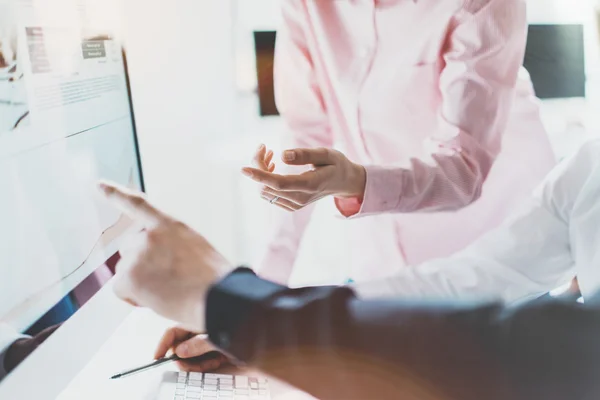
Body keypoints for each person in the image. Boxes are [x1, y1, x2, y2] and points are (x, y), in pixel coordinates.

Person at [98, 138, 600, 399]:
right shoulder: (589, 163)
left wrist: (245, 309)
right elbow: (472, 280)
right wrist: (270, 330)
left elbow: (549, 360)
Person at [244, 0, 556, 285]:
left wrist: (357, 182)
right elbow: (305, 131)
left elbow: (462, 172)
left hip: (494, 245)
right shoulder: (306, 6)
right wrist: (262, 285)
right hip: (379, 254)